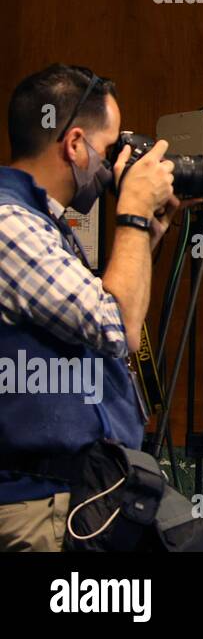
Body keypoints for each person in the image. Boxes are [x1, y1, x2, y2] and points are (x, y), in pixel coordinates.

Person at [0, 65, 179, 551]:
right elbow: (116, 323)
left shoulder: (45, 224)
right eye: (111, 147)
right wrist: (133, 213)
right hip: (38, 507)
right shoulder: (10, 224)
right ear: (74, 144)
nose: (114, 166)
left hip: (73, 497)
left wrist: (144, 237)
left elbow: (112, 324)